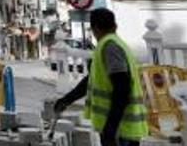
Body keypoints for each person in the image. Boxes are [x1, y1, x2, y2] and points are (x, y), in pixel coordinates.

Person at [53, 8, 148, 146]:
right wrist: (66, 100)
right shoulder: (109, 45)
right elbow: (90, 81)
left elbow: (122, 88)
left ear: (94, 28)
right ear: (115, 26)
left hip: (120, 130)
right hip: (117, 128)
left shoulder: (110, 47)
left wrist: (110, 128)